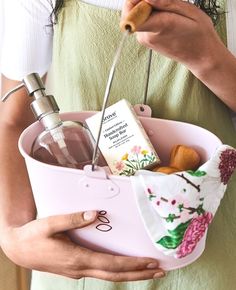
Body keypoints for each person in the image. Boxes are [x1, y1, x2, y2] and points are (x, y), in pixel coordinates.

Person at [0, 0, 235, 289]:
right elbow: (16, 117)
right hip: (76, 255)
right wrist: (13, 235)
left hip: (209, 253)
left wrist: (208, 58)